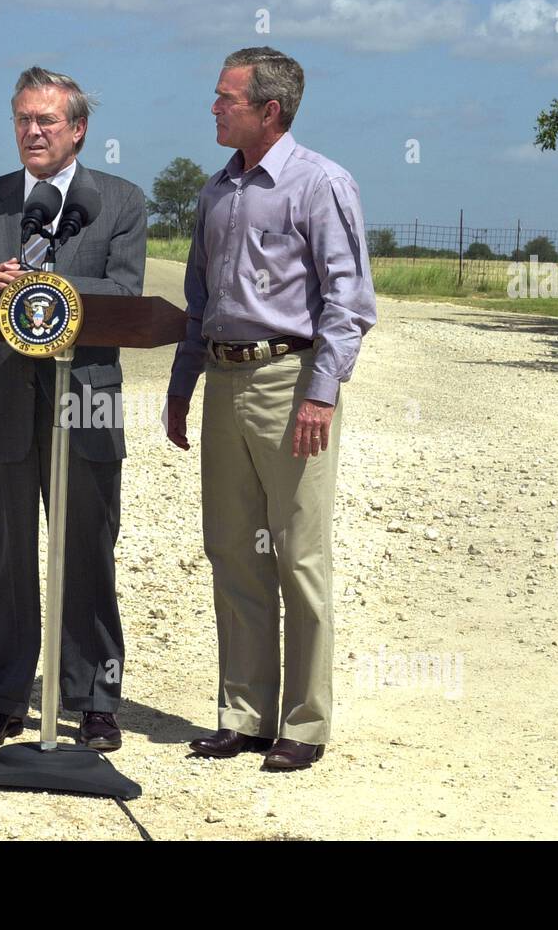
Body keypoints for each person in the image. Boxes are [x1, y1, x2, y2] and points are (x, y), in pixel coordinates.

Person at [165, 47, 377, 771]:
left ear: (268, 110)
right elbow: (200, 305)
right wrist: (180, 388)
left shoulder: (320, 185)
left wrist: (322, 392)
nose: (214, 108)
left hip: (291, 384)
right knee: (233, 552)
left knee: (298, 555)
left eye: (226, 98)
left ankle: (305, 725)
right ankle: (245, 714)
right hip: (224, 384)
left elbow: (350, 305)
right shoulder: (216, 194)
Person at [0, 66, 147, 751]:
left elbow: (121, 293)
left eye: (46, 121)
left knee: (87, 552)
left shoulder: (119, 203)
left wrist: (44, 285)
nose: (32, 131)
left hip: (82, 404)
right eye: (23, 119)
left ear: (77, 129)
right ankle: (1, 697)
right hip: (0, 402)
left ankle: (93, 700)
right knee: (4, 556)